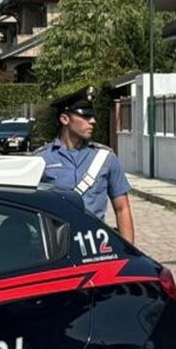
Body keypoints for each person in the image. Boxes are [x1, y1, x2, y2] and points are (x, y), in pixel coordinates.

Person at [38, 98, 135, 243]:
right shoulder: (41, 159)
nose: (93, 121)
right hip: (57, 246)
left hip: (95, 245)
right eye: (86, 116)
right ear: (65, 119)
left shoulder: (106, 158)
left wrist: (130, 252)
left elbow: (122, 209)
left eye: (93, 116)